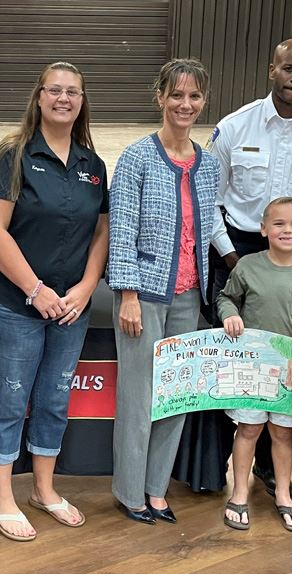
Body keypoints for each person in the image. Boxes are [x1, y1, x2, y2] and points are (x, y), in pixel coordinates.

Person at [199, 37, 292, 495]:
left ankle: (268, 467)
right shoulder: (235, 127)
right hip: (235, 248)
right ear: (272, 70)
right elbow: (208, 198)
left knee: (279, 361)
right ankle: (211, 467)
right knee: (229, 357)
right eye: (289, 69)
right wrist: (229, 254)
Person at [0, 62, 109, 541]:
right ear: (38, 97)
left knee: (54, 398)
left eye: (72, 91)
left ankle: (44, 489)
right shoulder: (12, 155)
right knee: (12, 398)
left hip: (69, 308)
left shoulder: (92, 165)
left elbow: (101, 232)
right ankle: (1, 495)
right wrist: (35, 289)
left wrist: (87, 285)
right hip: (14, 304)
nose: (63, 98)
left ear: (82, 101)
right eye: (54, 90)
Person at [108, 59, 219, 524]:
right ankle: (131, 491)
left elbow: (209, 228)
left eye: (194, 96)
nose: (185, 104)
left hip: (190, 295)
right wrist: (128, 293)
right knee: (139, 396)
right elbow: (122, 230)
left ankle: (157, 489)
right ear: (160, 98)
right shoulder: (136, 157)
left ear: (203, 102)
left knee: (178, 395)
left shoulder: (209, 164)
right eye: (176, 95)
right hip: (145, 294)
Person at [217, 197, 292, 532]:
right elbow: (226, 297)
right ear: (263, 228)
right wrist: (230, 315)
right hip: (251, 369)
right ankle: (240, 491)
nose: (287, 230)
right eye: (279, 224)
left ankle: (284, 493)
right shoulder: (248, 267)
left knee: (282, 433)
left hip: (291, 371)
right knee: (248, 429)